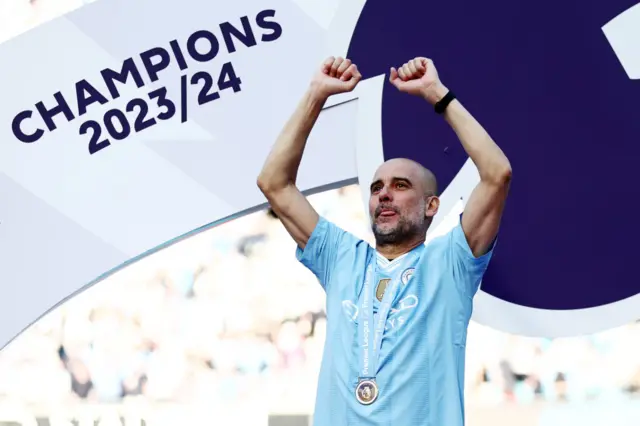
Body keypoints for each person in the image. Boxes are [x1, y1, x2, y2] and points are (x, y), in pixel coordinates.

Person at [257, 55, 511, 425]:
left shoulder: (451, 262)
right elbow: (274, 183)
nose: (384, 194)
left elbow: (497, 173)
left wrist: (436, 94)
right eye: (376, 188)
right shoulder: (341, 257)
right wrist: (316, 95)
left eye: (400, 185)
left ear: (431, 205)